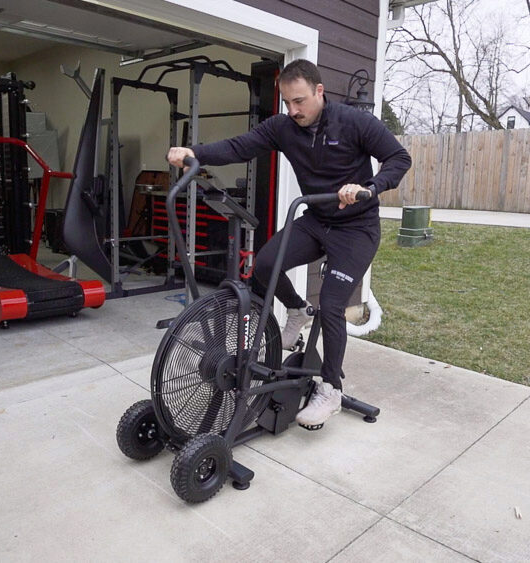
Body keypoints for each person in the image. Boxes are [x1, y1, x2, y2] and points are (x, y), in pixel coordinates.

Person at [167, 59, 410, 429]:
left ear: (319, 92)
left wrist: (369, 187)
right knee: (264, 266)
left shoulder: (354, 122)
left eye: (300, 101)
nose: (293, 110)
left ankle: (330, 389)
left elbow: (399, 157)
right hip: (316, 220)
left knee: (332, 305)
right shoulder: (282, 128)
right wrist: (193, 153)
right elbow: (239, 147)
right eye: (287, 102)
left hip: (356, 227)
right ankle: (296, 310)